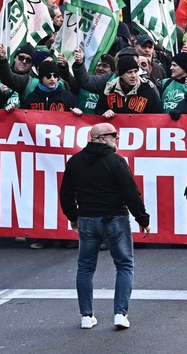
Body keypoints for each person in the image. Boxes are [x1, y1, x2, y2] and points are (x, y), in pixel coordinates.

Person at [59, 123, 150, 330]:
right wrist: (142, 219)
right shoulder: (116, 161)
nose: (117, 139)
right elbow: (131, 193)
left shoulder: (75, 161)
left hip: (87, 219)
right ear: (101, 138)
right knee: (124, 265)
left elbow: (65, 193)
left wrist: (73, 216)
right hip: (115, 217)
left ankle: (86, 316)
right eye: (114, 136)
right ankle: (120, 313)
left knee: (85, 267)